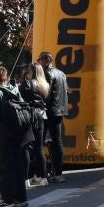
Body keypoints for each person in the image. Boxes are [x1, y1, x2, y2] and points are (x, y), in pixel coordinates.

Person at [0, 68, 32, 207]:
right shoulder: (15, 89)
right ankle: (21, 198)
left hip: (4, 132)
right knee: (17, 165)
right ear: (6, 77)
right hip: (19, 130)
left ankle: (7, 199)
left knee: (3, 166)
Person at [37, 52, 68, 181]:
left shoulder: (47, 73)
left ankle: (42, 174)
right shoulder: (61, 73)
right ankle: (58, 173)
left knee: (40, 142)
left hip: (49, 111)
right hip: (59, 110)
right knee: (57, 141)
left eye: (41, 60)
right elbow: (65, 91)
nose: (39, 62)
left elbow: (46, 93)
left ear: (48, 60)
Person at [18, 62, 49, 185]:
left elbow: (19, 97)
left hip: (29, 116)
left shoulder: (27, 83)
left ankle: (26, 178)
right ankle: (43, 177)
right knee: (39, 147)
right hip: (41, 116)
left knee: (25, 147)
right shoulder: (44, 84)